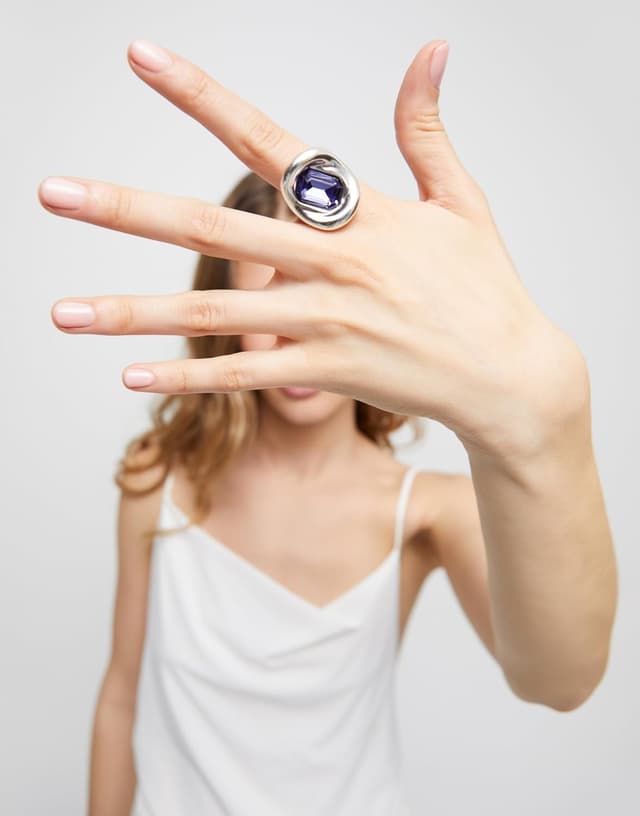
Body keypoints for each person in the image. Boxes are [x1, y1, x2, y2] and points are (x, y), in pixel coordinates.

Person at [38, 38, 617, 816]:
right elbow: (120, 694)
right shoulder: (157, 479)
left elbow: (561, 680)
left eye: (319, 304)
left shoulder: (427, 509)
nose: (293, 335)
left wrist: (542, 424)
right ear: (223, 318)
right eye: (268, 305)